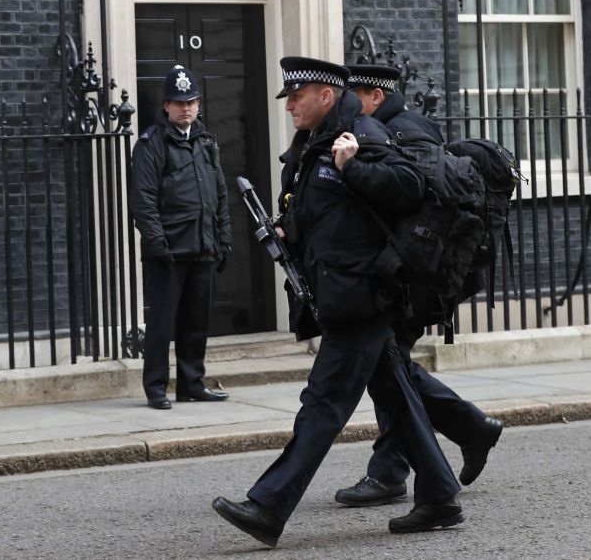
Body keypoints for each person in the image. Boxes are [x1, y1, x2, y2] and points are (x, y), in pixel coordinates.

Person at [212, 57, 464, 548]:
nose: (289, 107)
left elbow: (410, 187)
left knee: (323, 403)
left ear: (325, 95)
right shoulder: (316, 142)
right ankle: (439, 496)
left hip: (364, 295)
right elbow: (326, 213)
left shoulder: (360, 134)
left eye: (297, 97)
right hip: (341, 292)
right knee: (396, 394)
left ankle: (267, 506)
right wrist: (290, 231)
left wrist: (355, 167)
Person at [331, 63, 503, 507]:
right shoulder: (394, 127)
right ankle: (469, 430)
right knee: (390, 368)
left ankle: (395, 470)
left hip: (418, 276)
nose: (351, 108)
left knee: (389, 369)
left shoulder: (405, 132)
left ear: (374, 97)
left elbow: (415, 204)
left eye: (356, 98)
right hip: (410, 272)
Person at [130, 65, 233, 410]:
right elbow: (142, 200)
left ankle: (191, 382)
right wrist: (157, 243)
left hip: (203, 245)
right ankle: (156, 387)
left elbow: (219, 192)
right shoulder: (151, 144)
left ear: (199, 104)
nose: (185, 108)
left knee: (195, 321)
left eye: (190, 101)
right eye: (178, 102)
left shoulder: (206, 141)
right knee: (162, 323)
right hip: (169, 251)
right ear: (166, 106)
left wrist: (224, 237)